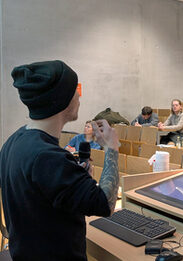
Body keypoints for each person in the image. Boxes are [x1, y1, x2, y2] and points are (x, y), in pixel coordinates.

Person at [0, 60, 119, 260]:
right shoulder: (48, 158)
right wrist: (112, 147)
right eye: (75, 90)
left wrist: (77, 181)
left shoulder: (15, 140)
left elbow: (42, 195)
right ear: (61, 100)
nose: (79, 95)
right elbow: (105, 204)